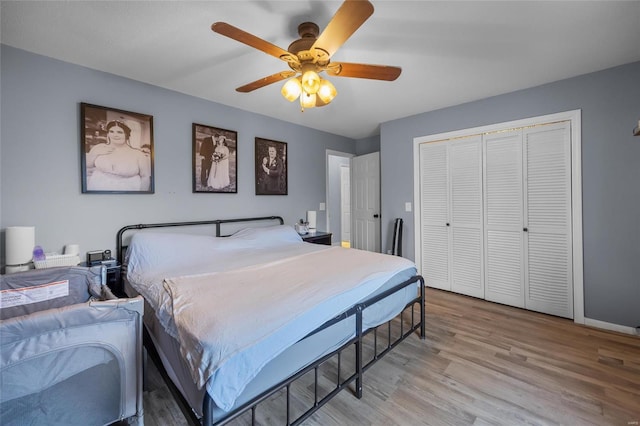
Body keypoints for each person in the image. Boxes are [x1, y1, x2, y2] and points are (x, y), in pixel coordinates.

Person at [86, 120, 151, 191]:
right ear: (108, 133)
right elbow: (88, 165)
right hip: (97, 187)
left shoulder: (138, 154)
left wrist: (141, 196)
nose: (115, 135)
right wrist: (96, 153)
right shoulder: (98, 147)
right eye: (111, 131)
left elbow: (145, 177)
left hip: (127, 191)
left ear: (126, 135)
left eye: (119, 132)